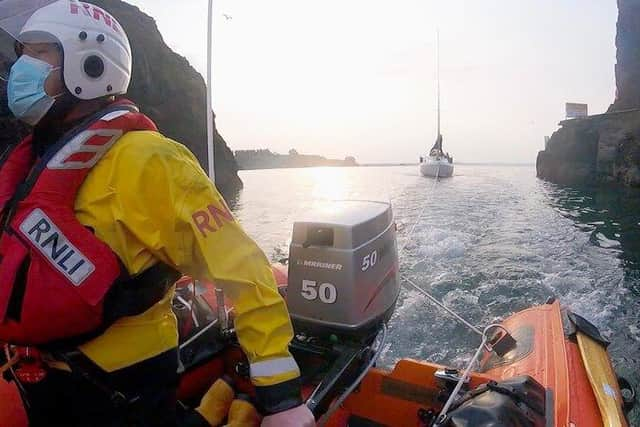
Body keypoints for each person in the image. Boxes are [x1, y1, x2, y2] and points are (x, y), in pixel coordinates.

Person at [0, 1, 314, 426]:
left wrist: (281, 398)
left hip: (123, 390)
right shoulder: (33, 159)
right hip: (42, 384)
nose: (23, 66)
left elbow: (242, 269)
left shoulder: (151, 160)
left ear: (89, 65)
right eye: (23, 53)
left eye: (39, 53)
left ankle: (236, 404)